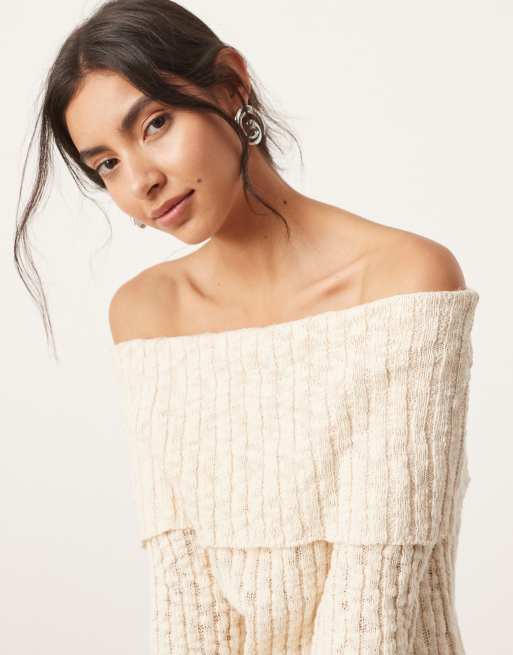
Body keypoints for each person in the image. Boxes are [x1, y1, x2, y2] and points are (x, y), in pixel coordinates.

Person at [15, 1, 480, 653]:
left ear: (231, 84)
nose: (142, 181)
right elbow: (185, 603)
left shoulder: (405, 281)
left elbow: (373, 606)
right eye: (107, 165)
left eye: (154, 123)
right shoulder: (148, 315)